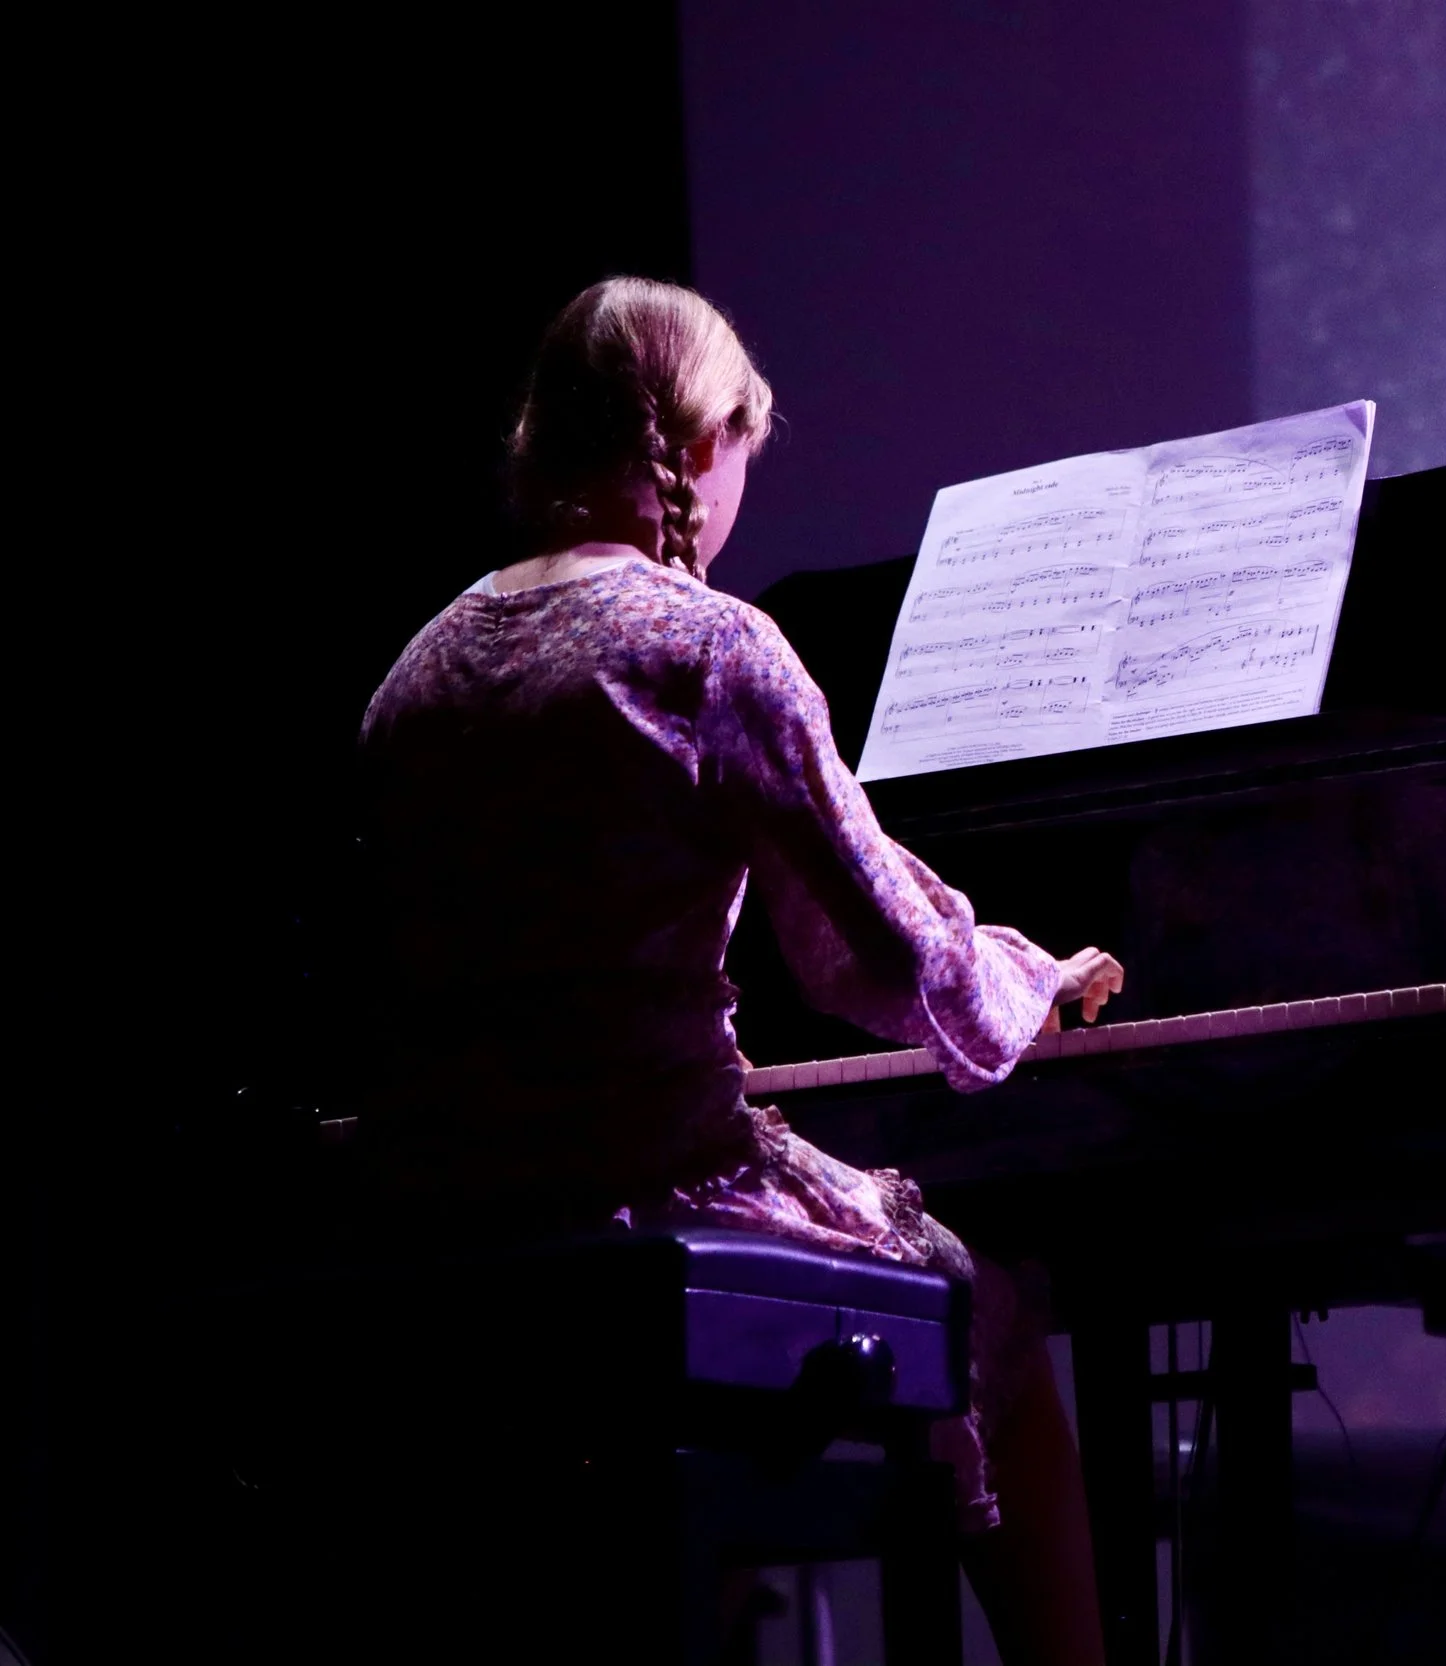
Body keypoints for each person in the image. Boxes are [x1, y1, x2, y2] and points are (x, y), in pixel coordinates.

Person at [355, 276, 1117, 1664]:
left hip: (444, 1229)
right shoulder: (708, 646)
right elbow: (879, 957)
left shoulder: (416, 671)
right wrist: (1028, 973)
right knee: (989, 1315)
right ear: (703, 443)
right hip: (645, 1202)